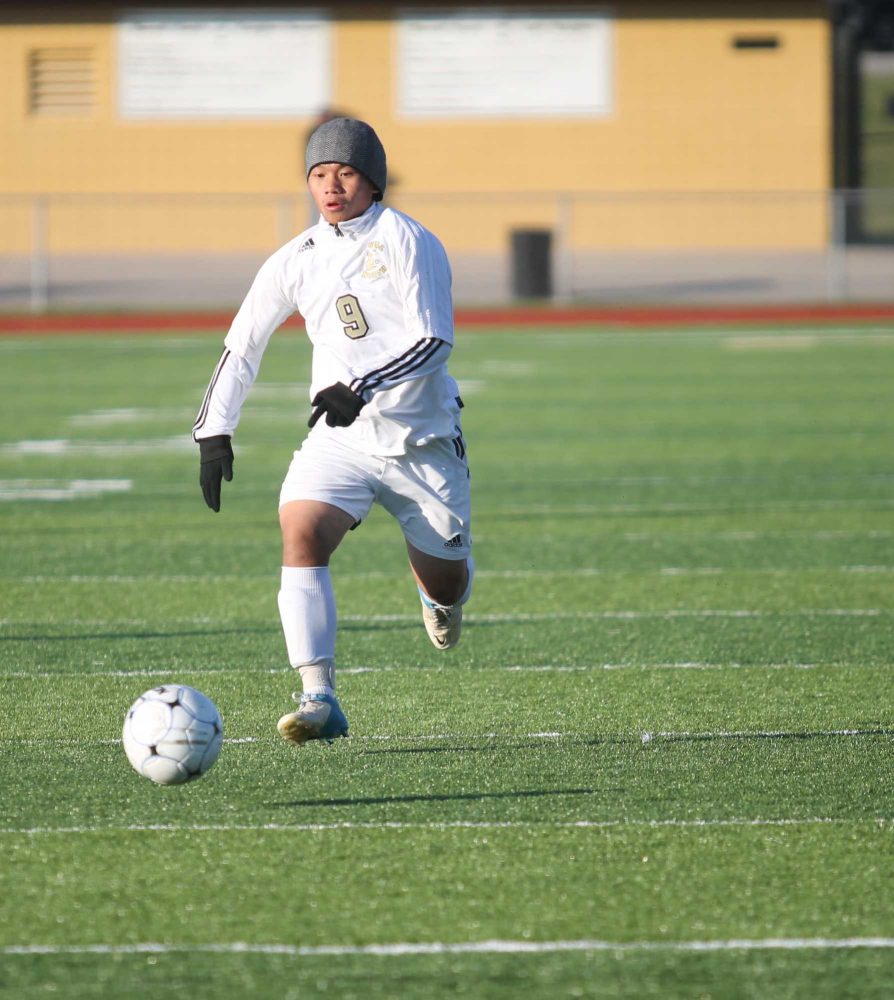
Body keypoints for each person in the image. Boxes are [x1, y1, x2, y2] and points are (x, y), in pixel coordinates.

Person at [192, 117, 473, 746]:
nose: (331, 185)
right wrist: (214, 431)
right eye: (319, 174)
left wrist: (363, 386)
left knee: (447, 580)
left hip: (420, 443)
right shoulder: (297, 257)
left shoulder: (409, 239)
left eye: (345, 172)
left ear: (372, 179)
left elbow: (434, 339)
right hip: (339, 438)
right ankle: (318, 695)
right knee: (300, 528)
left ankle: (441, 597)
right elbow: (243, 345)